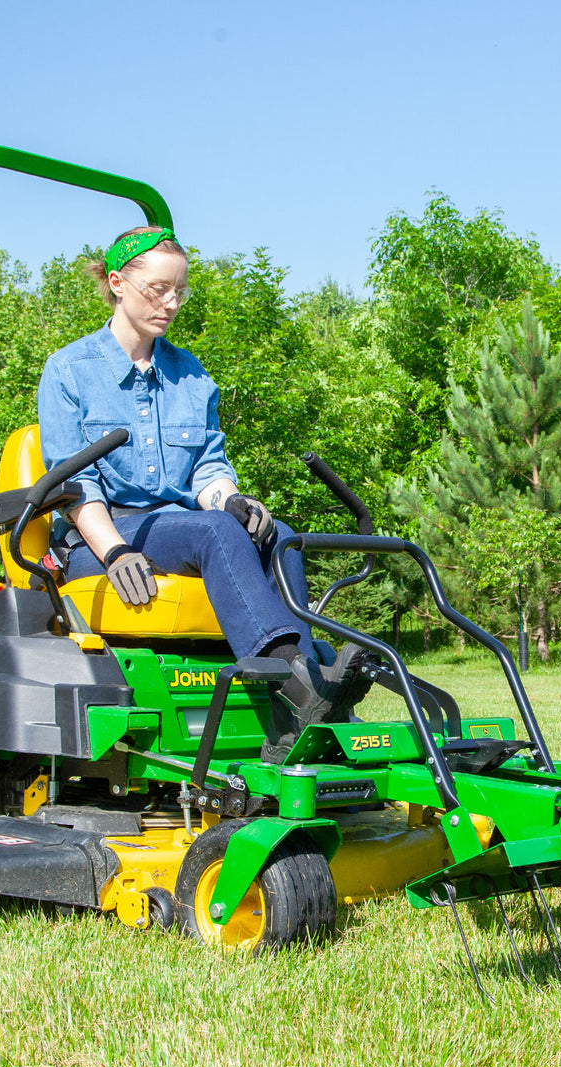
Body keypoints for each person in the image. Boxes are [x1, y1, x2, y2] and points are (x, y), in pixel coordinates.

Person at [37, 225, 365, 762]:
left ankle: (305, 692)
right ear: (119, 283)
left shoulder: (190, 375)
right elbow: (76, 487)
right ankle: (296, 684)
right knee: (214, 531)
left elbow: (208, 470)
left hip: (178, 525)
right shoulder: (71, 371)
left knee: (277, 533)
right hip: (104, 531)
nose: (170, 304)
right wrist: (114, 550)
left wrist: (230, 500)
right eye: (156, 290)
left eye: (179, 292)